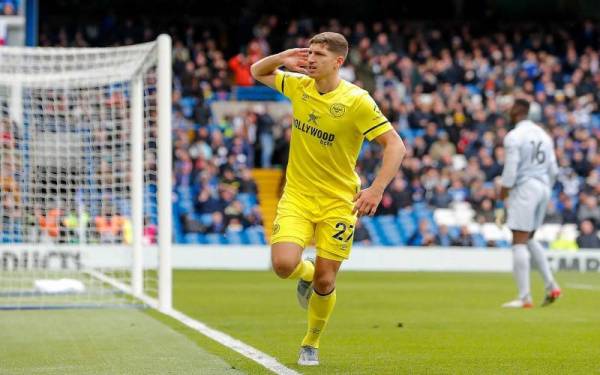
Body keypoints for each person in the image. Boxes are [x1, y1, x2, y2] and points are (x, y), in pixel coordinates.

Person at [251, 32, 406, 366]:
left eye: (318, 54)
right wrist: (283, 56)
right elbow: (257, 72)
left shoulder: (357, 101)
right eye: (309, 52)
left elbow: (396, 145)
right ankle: (303, 275)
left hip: (339, 202)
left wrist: (376, 189)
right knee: (283, 266)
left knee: (326, 279)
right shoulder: (299, 86)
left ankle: (311, 341)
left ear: (338, 62)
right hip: (297, 196)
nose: (310, 59)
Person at [495, 99, 561, 309]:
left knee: (519, 240)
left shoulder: (514, 136)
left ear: (517, 112)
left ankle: (525, 298)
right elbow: (554, 170)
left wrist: (503, 193)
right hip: (543, 187)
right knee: (530, 237)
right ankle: (551, 285)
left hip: (525, 187)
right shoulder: (544, 135)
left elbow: (511, 170)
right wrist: (546, 188)